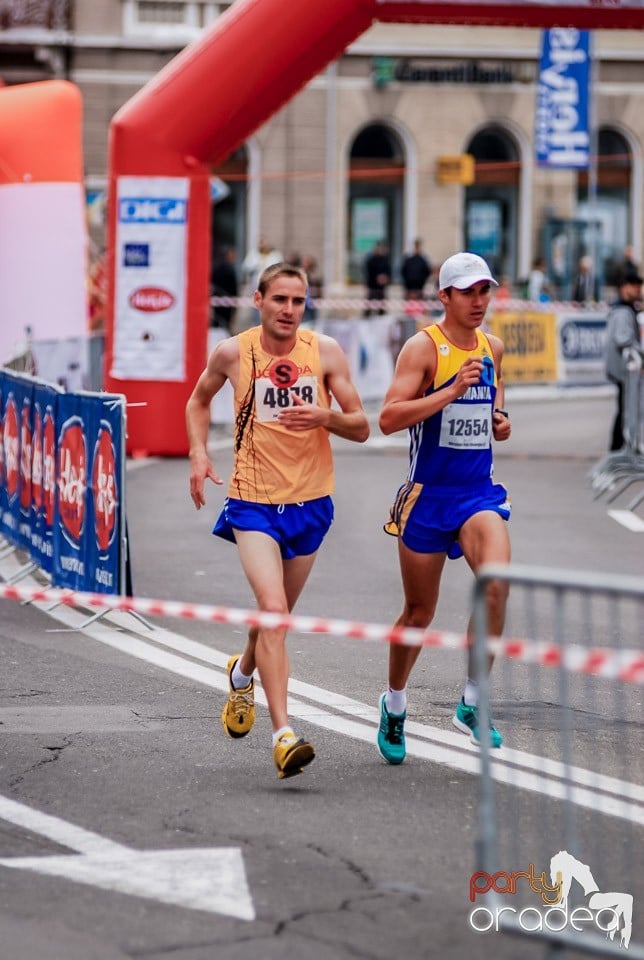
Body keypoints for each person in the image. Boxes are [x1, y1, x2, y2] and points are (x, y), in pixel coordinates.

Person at [186, 262, 369, 779]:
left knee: (277, 614)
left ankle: (242, 675)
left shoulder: (324, 352)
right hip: (253, 502)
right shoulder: (233, 352)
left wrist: (325, 416)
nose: (288, 310)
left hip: (311, 503)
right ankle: (284, 734)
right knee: (273, 609)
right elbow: (198, 401)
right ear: (258, 299)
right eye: (279, 300)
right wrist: (199, 454)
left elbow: (362, 427)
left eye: (297, 301)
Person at [376, 251, 512, 765]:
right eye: (469, 292)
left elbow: (493, 406)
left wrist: (500, 421)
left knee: (495, 584)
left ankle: (473, 704)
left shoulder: (493, 347)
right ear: (446, 297)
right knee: (419, 611)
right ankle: (394, 703)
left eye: (486, 291)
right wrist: (449, 390)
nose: (480, 301)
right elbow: (388, 417)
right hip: (428, 496)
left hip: (478, 494)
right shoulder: (423, 349)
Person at [604, 267, 643, 451]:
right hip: (624, 370)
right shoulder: (622, 311)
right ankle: (618, 450)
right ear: (624, 287)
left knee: (624, 410)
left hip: (625, 371)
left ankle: (619, 449)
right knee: (625, 411)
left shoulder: (625, 308)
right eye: (634, 286)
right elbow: (623, 339)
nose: (638, 290)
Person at [210, 246, 239, 331]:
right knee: (225, 323)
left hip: (217, 299)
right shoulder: (229, 269)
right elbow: (233, 287)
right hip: (227, 299)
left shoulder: (215, 266)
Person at [363, 241, 391, 316]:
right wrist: (375, 279)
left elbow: (388, 272)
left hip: (381, 288)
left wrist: (385, 279)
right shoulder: (371, 261)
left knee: (382, 308)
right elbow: (368, 273)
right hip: (372, 287)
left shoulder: (385, 261)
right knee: (368, 308)